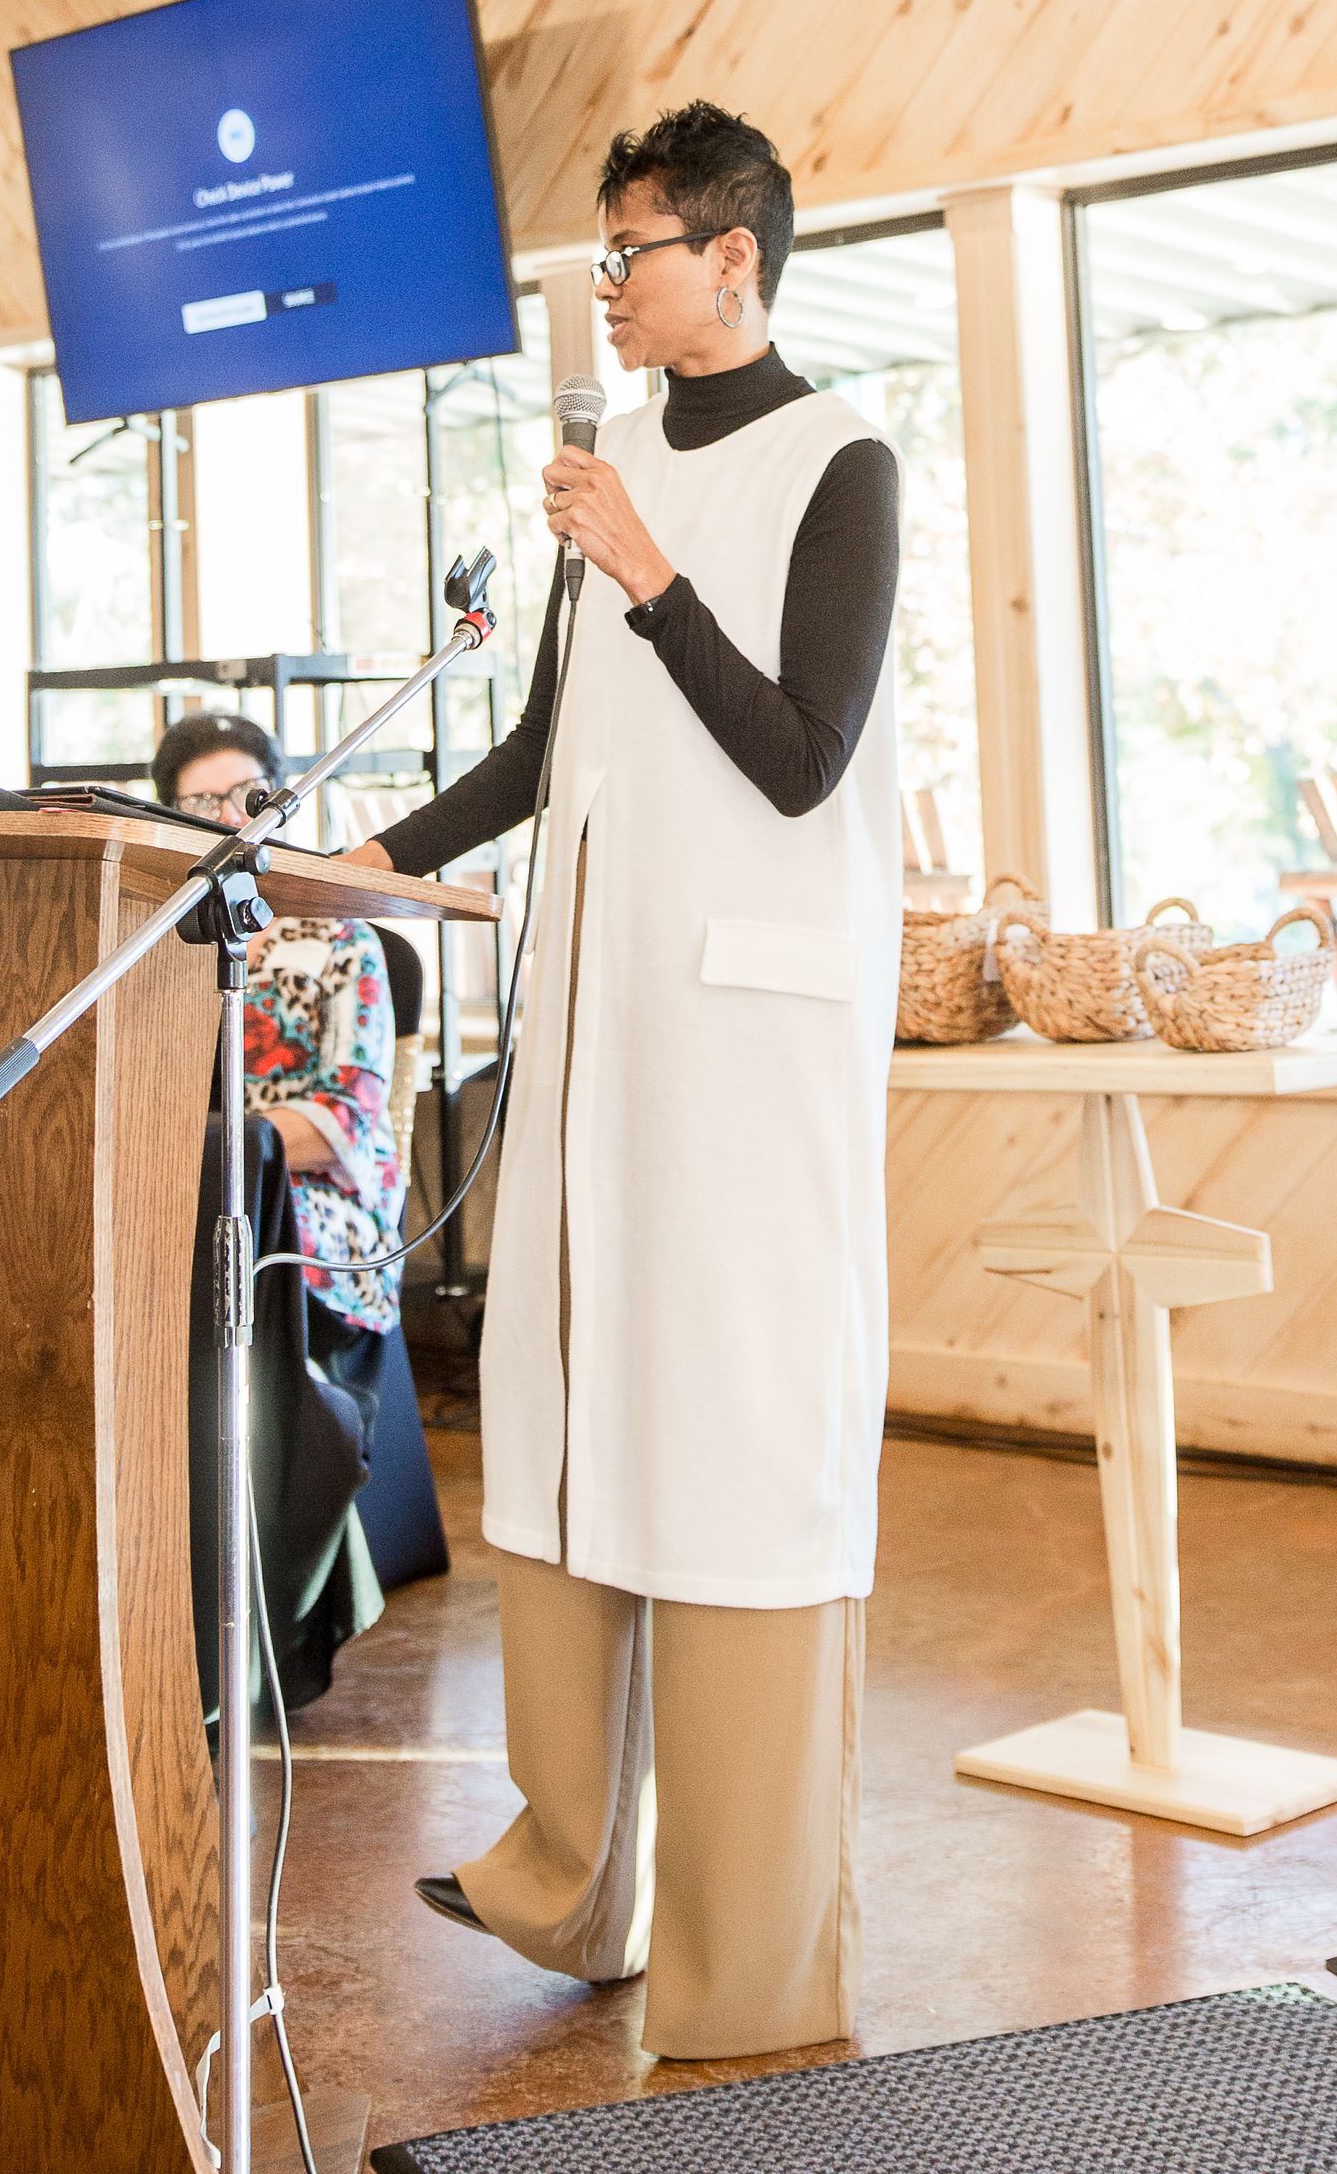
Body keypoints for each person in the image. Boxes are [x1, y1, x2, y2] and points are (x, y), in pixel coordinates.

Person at [346, 102, 902, 2060]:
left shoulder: (841, 463)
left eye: (632, 253)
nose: (608, 288)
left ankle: (753, 1980)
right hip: (592, 1054)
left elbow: (803, 757)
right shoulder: (615, 469)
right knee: (575, 1426)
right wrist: (374, 861)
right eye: (601, 257)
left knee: (734, 1460)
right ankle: (571, 1872)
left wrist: (651, 569)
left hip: (746, 1063)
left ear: (734, 257)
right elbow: (543, 749)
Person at [152, 710, 405, 1401]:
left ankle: (240, 1450)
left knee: (219, 1229)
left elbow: (345, 1120)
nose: (232, 816)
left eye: (250, 794)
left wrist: (208, 1159)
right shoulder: (153, 940)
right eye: (203, 802)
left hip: (314, 1203)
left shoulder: (339, 935)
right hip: (185, 1189)